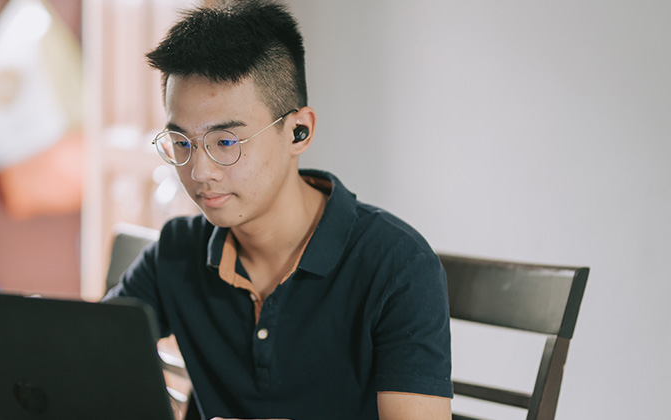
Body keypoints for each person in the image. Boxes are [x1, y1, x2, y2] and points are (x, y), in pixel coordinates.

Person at [105, 1, 452, 419]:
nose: (199, 171)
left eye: (225, 142)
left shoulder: (398, 265)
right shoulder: (178, 251)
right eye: (181, 143)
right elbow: (80, 361)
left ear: (298, 131)